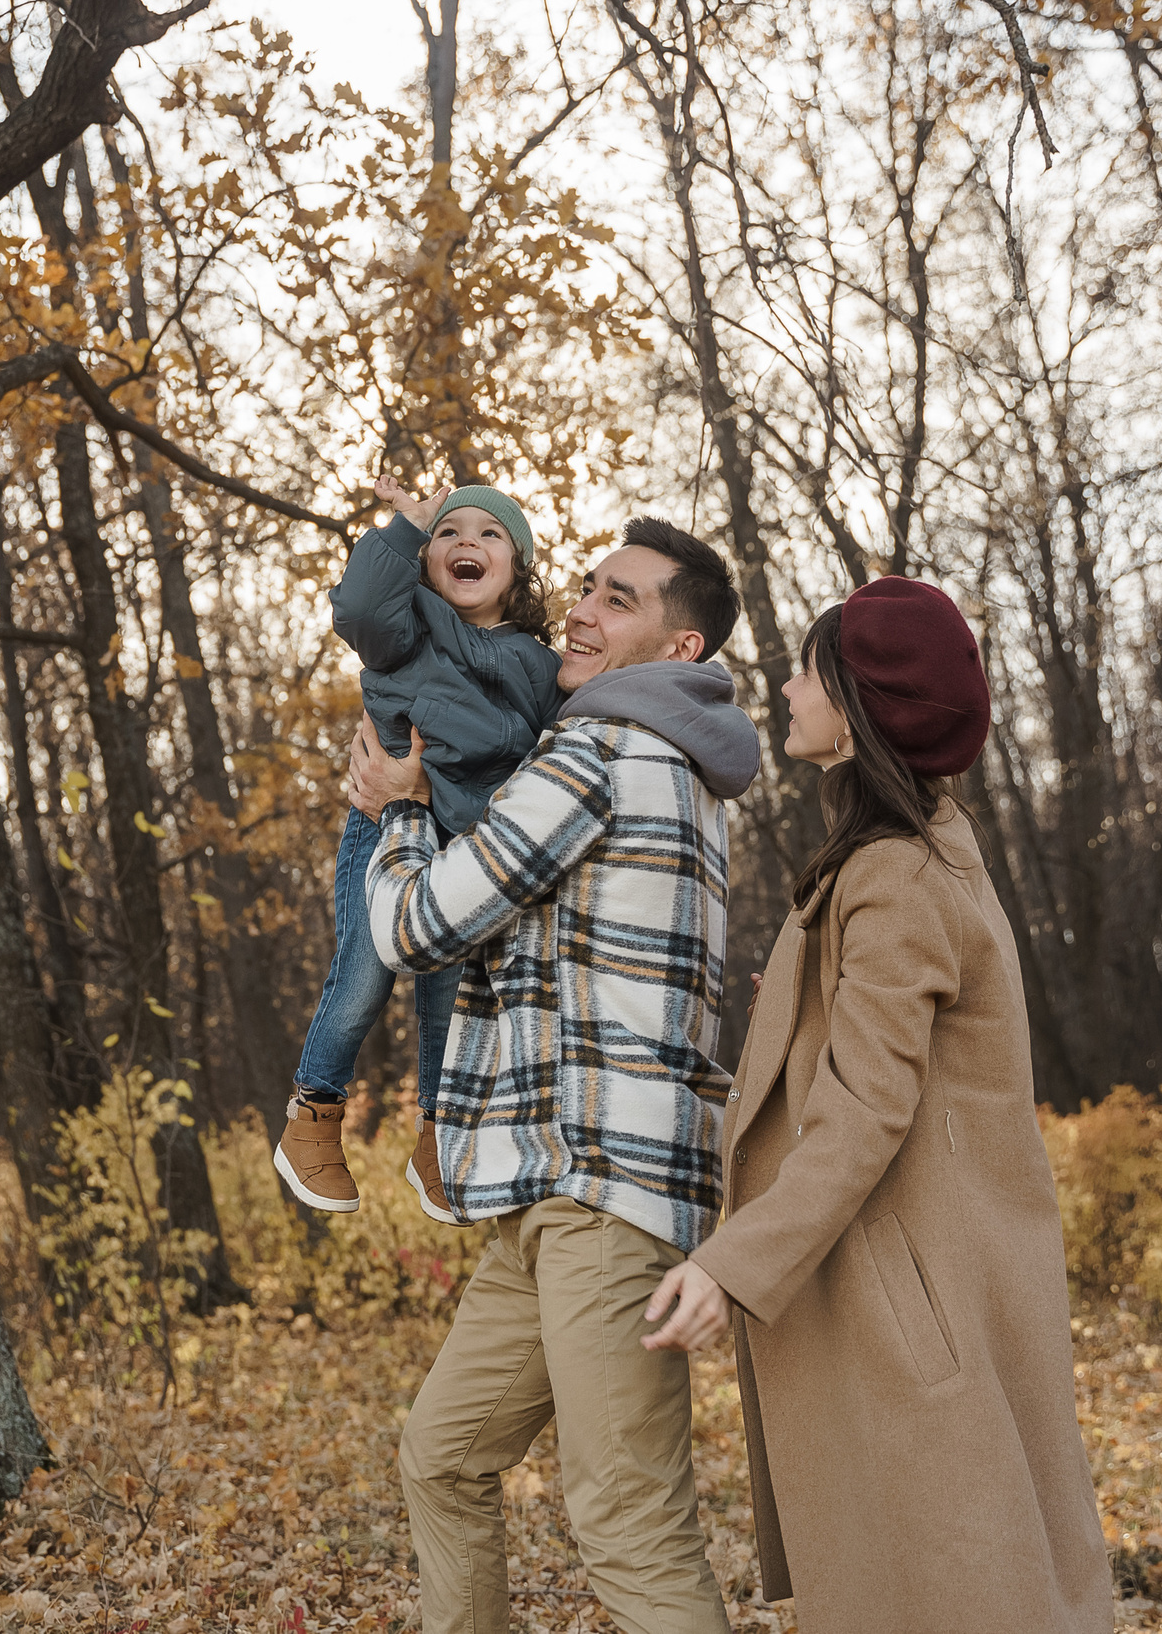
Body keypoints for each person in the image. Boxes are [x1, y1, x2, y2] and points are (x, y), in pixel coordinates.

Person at [637, 576, 1117, 1633]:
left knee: (954, 1584)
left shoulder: (892, 874)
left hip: (908, 1305)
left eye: (809, 668)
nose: (787, 684)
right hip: (931, 1282)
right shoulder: (922, 851)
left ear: (856, 708)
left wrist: (733, 1263)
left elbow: (864, 1113)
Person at [346, 517, 759, 1634]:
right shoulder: (666, 762)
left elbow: (422, 926)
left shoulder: (601, 753)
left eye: (617, 601)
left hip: (600, 1195)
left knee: (626, 1518)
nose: (579, 608)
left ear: (679, 650)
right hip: (548, 1188)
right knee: (443, 1454)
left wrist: (396, 817)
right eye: (585, 586)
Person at [272, 475, 563, 1217]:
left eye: (489, 533)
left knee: (453, 991)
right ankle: (313, 1115)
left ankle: (441, 1130)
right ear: (427, 560)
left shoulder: (538, 663)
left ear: (518, 566)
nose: (467, 541)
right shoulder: (408, 627)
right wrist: (406, 527)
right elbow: (361, 605)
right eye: (450, 532)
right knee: (365, 972)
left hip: (470, 841)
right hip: (385, 823)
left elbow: (545, 755)